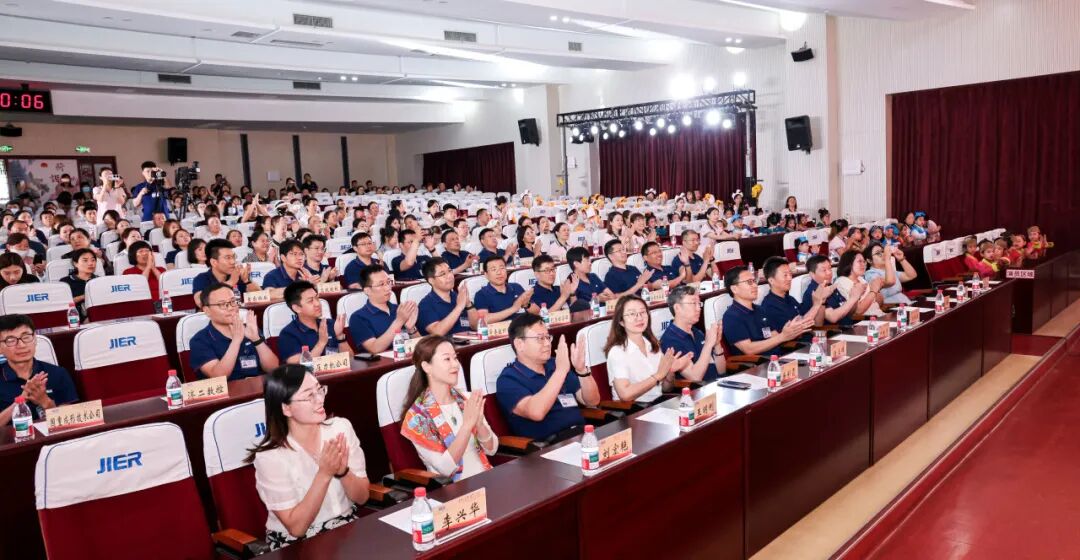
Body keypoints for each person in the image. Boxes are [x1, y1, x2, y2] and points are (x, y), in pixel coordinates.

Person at [247, 365, 369, 549]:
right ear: (286, 408)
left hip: (345, 527)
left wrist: (343, 472)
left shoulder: (340, 429)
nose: (320, 399)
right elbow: (297, 528)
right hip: (295, 545)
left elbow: (362, 498)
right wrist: (325, 474)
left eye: (319, 390)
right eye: (309, 396)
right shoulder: (270, 456)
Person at [399, 336, 498, 480]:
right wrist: (466, 426)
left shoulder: (466, 399)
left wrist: (479, 424)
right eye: (447, 359)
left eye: (455, 358)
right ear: (427, 367)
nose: (455, 364)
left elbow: (492, 449)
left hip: (487, 477)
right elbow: (446, 469)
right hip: (455, 488)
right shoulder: (417, 418)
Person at [495, 313, 598, 441]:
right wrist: (560, 371)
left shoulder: (554, 364)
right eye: (540, 338)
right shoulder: (508, 380)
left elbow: (592, 401)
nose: (547, 343)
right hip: (549, 445)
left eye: (548, 337)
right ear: (519, 344)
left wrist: (582, 371)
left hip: (582, 434)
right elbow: (536, 412)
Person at [605, 295, 691, 403]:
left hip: (658, 404)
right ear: (621, 321)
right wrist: (657, 376)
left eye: (642, 312)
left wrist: (669, 372)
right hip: (634, 409)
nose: (639, 318)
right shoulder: (617, 352)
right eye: (632, 314)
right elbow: (625, 395)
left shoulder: (652, 344)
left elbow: (666, 389)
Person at [0, 314, 79, 427]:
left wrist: (45, 402)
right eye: (11, 340)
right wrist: (22, 400)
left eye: (26, 337)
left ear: (35, 339)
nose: (21, 345)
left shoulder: (58, 373)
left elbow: (71, 421)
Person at [190, 283, 279, 380]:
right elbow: (219, 376)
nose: (231, 308)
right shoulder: (200, 340)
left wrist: (256, 339)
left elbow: (274, 368)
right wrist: (236, 341)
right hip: (229, 389)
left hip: (259, 386)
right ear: (207, 310)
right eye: (222, 304)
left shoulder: (249, 328)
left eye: (233, 301)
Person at [722, 266, 814, 356]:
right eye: (749, 282)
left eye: (754, 281)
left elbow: (774, 336)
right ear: (734, 289)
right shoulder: (732, 316)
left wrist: (792, 330)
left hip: (778, 356)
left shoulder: (760, 310)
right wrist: (782, 336)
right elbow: (749, 349)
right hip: (758, 363)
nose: (755, 285)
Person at [660, 285, 726, 382]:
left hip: (717, 384)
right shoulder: (670, 341)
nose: (698, 308)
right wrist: (708, 345)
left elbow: (721, 371)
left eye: (699, 304)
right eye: (693, 303)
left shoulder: (696, 332)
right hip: (698, 390)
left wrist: (717, 344)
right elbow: (696, 377)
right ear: (677, 308)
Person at [348, 265, 419, 353]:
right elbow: (374, 348)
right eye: (381, 284)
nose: (388, 288)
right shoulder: (358, 317)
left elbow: (421, 346)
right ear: (367, 290)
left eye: (388, 282)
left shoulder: (399, 309)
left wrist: (411, 329)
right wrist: (399, 321)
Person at [278, 281, 351, 363]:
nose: (317, 304)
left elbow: (351, 359)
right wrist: (321, 343)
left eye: (317, 298)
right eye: (310, 301)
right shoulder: (288, 334)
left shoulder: (331, 324)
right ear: (297, 308)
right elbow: (297, 366)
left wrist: (340, 337)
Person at [760, 256, 830, 334]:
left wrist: (822, 302)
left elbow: (817, 324)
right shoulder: (769, 306)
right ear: (771, 280)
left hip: (809, 337)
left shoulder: (790, 299)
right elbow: (795, 331)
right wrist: (816, 305)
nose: (790, 278)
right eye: (785, 275)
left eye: (790, 274)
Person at [192, 240, 258, 308]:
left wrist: (247, 280)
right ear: (214, 262)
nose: (233, 262)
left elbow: (261, 297)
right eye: (228, 258)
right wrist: (231, 282)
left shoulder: (237, 275)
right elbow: (200, 302)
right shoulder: (202, 278)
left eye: (233, 257)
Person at [802, 255, 861, 326]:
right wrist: (853, 298)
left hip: (849, 326)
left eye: (830, 268)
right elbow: (833, 317)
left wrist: (856, 296)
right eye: (824, 270)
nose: (829, 273)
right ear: (812, 274)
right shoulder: (814, 292)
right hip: (834, 331)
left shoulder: (830, 285)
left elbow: (849, 312)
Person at [471, 256, 532, 325]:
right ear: (486, 275)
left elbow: (534, 312)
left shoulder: (516, 287)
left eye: (502, 268)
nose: (499, 272)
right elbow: (483, 319)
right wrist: (513, 309)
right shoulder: (481, 294)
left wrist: (527, 305)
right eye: (494, 269)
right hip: (502, 330)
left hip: (524, 327)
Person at [417, 258, 470, 336]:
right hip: (444, 343)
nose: (449, 276)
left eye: (450, 271)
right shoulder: (425, 305)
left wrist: (469, 305)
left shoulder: (458, 296)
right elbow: (437, 332)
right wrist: (459, 307)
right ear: (431, 280)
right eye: (442, 274)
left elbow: (476, 325)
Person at [834, 250, 885, 316]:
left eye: (864, 262)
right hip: (865, 319)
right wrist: (873, 291)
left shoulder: (861, 279)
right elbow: (858, 311)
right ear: (849, 263)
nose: (863, 265)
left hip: (878, 314)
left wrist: (876, 290)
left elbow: (879, 302)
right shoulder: (842, 282)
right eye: (859, 261)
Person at [567, 246, 614, 313]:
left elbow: (611, 295)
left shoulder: (593, 276)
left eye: (590, 260)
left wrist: (604, 297)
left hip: (606, 312)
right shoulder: (571, 282)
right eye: (587, 260)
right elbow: (575, 309)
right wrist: (597, 299)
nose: (590, 263)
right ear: (576, 264)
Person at [60, 248, 98, 321]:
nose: (90, 263)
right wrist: (83, 297)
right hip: (74, 320)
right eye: (85, 260)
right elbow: (62, 304)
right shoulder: (65, 282)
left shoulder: (99, 281)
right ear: (75, 263)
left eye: (93, 260)